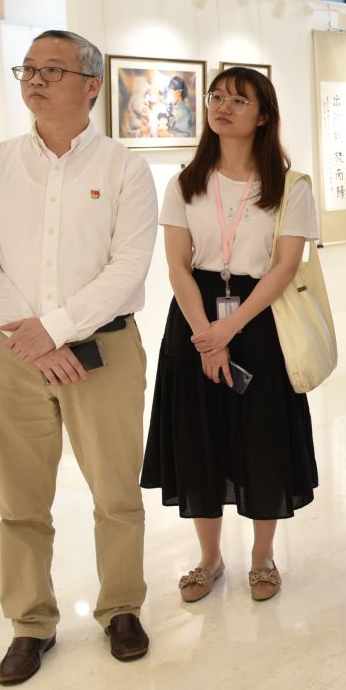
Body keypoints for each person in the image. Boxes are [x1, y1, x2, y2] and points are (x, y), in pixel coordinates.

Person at [0, 29, 158, 684]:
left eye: (52, 69)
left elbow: (128, 267)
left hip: (103, 349)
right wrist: (32, 337)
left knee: (116, 493)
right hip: (10, 352)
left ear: (92, 85)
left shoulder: (124, 168)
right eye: (28, 69)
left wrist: (57, 330)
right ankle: (30, 622)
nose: (35, 80)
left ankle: (121, 608)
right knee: (19, 499)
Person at [142, 66, 320, 605]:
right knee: (198, 437)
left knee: (262, 438)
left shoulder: (289, 187)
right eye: (216, 97)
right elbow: (177, 266)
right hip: (194, 318)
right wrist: (207, 335)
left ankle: (263, 558)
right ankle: (209, 558)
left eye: (239, 101)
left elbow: (285, 266)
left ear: (263, 116)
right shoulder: (184, 183)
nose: (223, 107)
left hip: (261, 318)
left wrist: (230, 328)